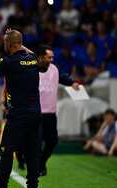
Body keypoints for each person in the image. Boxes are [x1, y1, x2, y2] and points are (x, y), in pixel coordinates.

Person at [0, 29, 42, 188]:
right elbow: (29, 52)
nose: (3, 45)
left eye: (5, 42)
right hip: (35, 113)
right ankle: (33, 186)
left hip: (18, 115)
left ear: (10, 44)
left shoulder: (10, 62)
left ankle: (2, 187)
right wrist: (17, 41)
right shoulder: (33, 59)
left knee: (6, 150)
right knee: (32, 151)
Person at [37, 45, 80, 176]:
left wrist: (72, 83)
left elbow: (62, 77)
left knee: (52, 142)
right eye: (49, 57)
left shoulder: (54, 69)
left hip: (50, 113)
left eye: (52, 57)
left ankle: (41, 162)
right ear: (41, 57)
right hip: (36, 113)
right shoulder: (32, 70)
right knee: (37, 143)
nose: (51, 59)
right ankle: (37, 167)